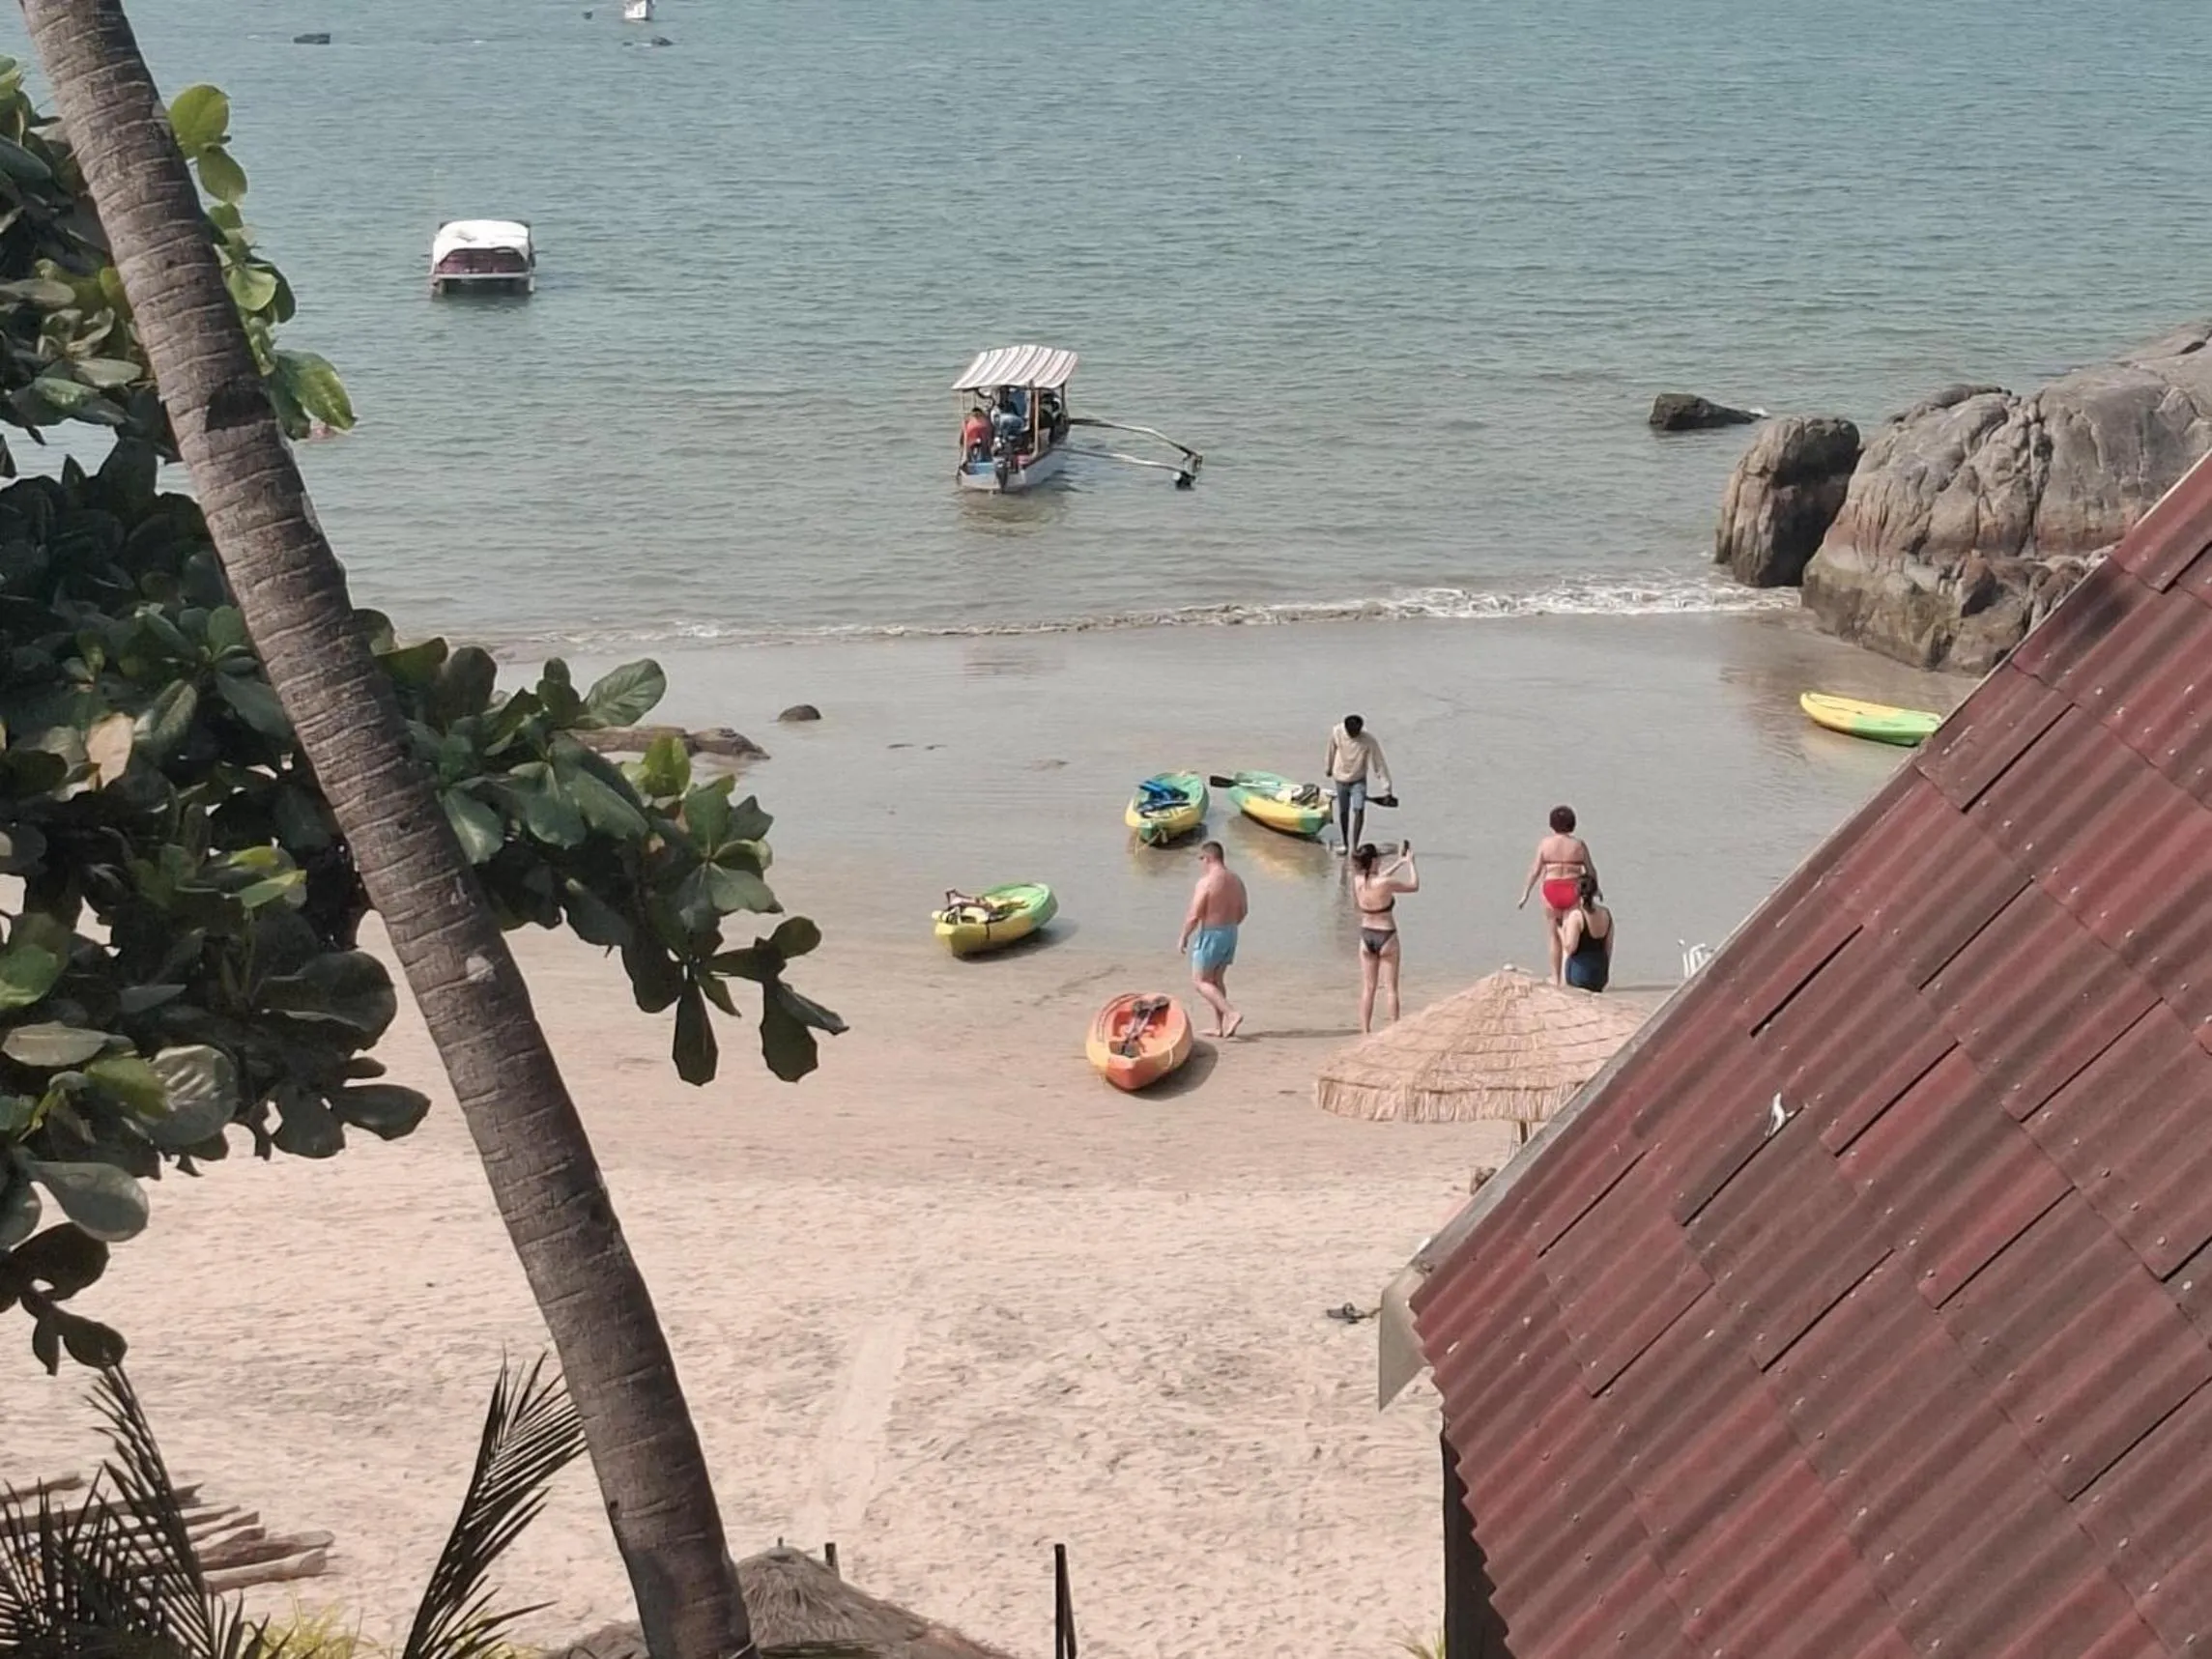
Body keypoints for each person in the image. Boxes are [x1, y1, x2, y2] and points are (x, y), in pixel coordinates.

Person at [1517, 805, 1599, 985]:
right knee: (1570, 934)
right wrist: (1597, 889)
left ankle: (1555, 977)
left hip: (1551, 890)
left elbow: (1535, 870)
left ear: (1552, 824)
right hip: (1573, 890)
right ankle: (1567, 977)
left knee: (1553, 935)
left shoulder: (1545, 844)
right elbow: (1591, 870)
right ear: (1573, 824)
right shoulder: (1578, 845)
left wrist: (1525, 894)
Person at [1178, 841, 1249, 1038]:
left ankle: (1231, 1013)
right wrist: (1229, 926)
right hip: (1231, 932)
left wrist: (1184, 936)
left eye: (1201, 859)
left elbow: (1194, 914)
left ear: (1208, 858)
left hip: (1212, 933)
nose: (1201, 863)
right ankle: (1219, 1027)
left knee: (1200, 981)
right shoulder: (1236, 880)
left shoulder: (1206, 882)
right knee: (1217, 980)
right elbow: (1243, 911)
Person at [1350, 841, 1419, 1034]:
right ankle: (1394, 1030)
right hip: (1386, 934)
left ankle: (1365, 1031)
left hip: (1366, 935)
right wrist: (1411, 864)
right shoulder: (1385, 884)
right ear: (1373, 861)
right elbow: (1414, 886)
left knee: (1368, 988)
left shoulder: (1357, 881)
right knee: (1391, 989)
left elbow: (1378, 879)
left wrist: (1399, 863)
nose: (1380, 860)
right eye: (1378, 858)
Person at [1324, 714, 1392, 854]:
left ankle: (1354, 847)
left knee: (1359, 810)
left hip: (1358, 779)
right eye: (1352, 732)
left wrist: (1387, 787)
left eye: (1357, 732)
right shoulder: (1337, 732)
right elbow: (1331, 750)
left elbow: (1378, 763)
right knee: (1344, 811)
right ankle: (1345, 844)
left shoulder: (1368, 740)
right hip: (1340, 778)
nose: (1354, 734)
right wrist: (1328, 767)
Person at [1558, 872, 1614, 991]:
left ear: (1577, 892)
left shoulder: (1577, 915)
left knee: (1566, 953)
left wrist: (1561, 931)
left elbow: (1570, 948)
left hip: (1580, 973)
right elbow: (1608, 948)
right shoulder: (1606, 913)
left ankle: (1562, 984)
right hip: (1600, 975)